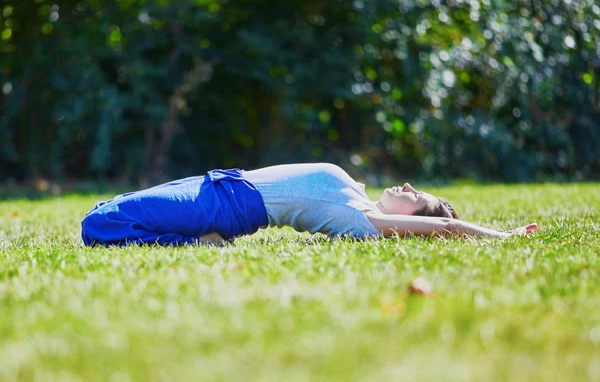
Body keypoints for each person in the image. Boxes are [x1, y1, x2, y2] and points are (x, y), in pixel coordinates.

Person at [81, 163, 536, 246]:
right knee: (113, 205)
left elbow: (449, 230)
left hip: (223, 207)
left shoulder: (366, 220)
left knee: (97, 223)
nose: (409, 185)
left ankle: (198, 244)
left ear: (410, 221)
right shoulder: (357, 195)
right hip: (220, 182)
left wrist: (503, 235)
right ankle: (199, 240)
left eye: (418, 197)